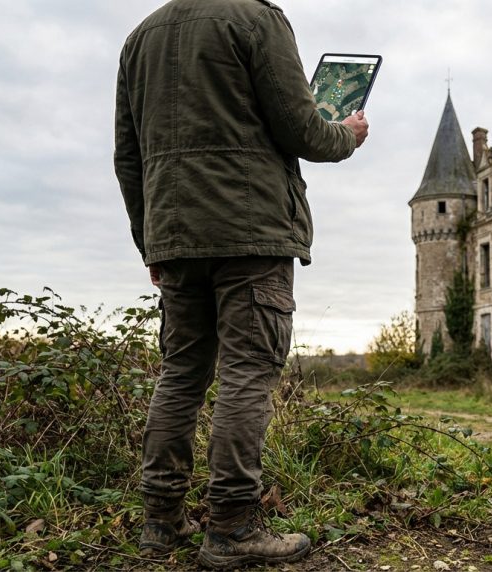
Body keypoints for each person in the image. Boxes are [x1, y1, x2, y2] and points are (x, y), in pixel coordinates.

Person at [113, 0, 369, 568]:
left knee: (180, 373)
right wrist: (347, 133)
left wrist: (150, 241)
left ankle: (161, 522)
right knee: (248, 374)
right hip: (251, 231)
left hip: (175, 234)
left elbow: (127, 157)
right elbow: (302, 129)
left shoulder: (139, 37)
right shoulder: (257, 20)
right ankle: (231, 526)